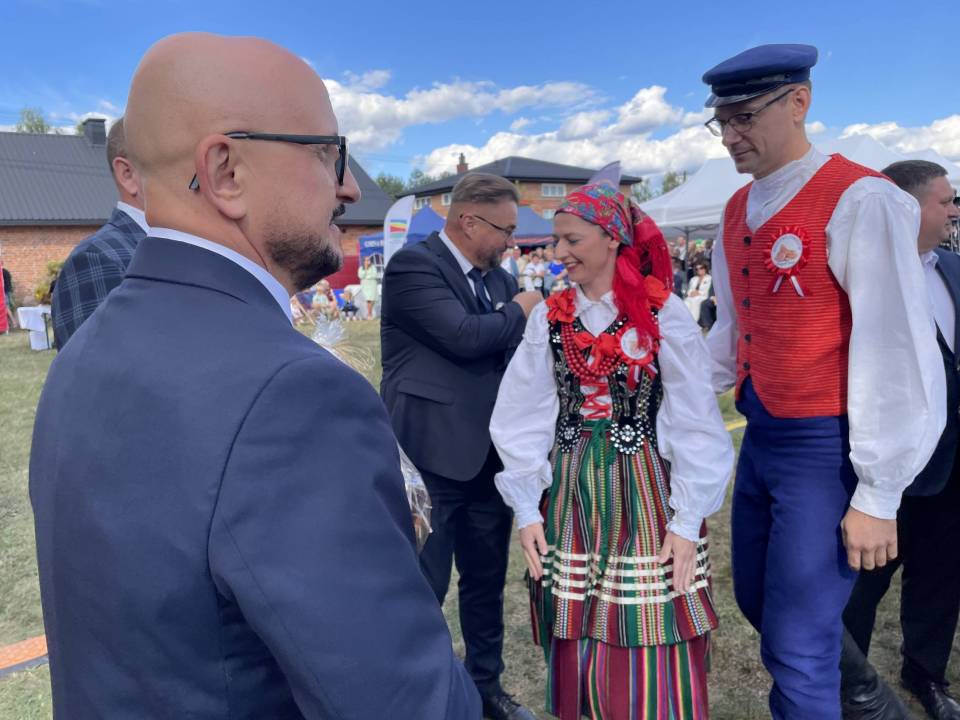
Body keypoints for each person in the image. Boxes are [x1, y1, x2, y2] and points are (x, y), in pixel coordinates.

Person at [30, 32, 480, 719]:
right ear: (226, 173)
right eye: (328, 153)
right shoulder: (292, 394)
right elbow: (407, 703)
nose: (348, 187)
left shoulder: (85, 352)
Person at [702, 44, 945, 719]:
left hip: (825, 445)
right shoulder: (736, 208)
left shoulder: (861, 197)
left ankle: (853, 700)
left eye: (745, 117)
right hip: (763, 437)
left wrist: (879, 492)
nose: (730, 136)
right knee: (757, 600)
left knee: (799, 645)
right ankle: (870, 700)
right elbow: (734, 332)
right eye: (721, 121)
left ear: (799, 103)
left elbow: (894, 347)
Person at [491, 183, 733, 720]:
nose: (559, 252)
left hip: (644, 486)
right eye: (556, 240)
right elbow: (522, 414)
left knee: (650, 613)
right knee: (577, 616)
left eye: (571, 240)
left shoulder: (662, 312)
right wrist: (527, 508)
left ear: (612, 239)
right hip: (573, 485)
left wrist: (686, 521)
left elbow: (694, 419)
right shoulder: (549, 318)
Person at [381, 172, 543, 720]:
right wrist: (521, 309)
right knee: (422, 588)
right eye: (506, 229)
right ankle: (417, 699)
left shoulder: (500, 281)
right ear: (469, 220)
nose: (511, 242)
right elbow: (464, 336)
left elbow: (514, 362)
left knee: (485, 583)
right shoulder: (413, 267)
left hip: (489, 463)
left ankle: (485, 690)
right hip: (430, 459)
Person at [841, 160, 960, 720]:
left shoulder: (953, 268)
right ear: (907, 208)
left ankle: (925, 674)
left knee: (940, 576)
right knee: (860, 585)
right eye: (945, 201)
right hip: (881, 467)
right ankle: (849, 684)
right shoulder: (860, 274)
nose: (954, 210)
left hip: (953, 465)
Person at [51, 117, 149, 349]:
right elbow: (96, 369)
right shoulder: (97, 259)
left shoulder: (173, 247)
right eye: (173, 161)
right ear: (128, 174)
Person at [2, 265, 15, 331]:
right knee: (8, 307)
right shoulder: (6, 271)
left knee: (6, 307)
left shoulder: (1, 272)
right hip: (8, 291)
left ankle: (14, 322)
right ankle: (9, 323)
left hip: (4, 292)